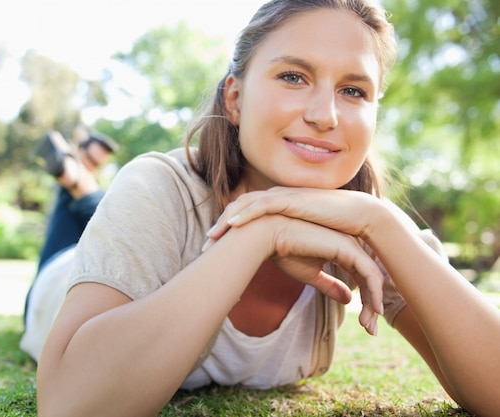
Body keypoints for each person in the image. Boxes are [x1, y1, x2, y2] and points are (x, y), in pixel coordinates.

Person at [32, 1, 500, 416]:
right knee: (81, 216)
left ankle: (79, 180)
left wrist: (382, 223)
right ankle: (75, 185)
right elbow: (73, 405)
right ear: (234, 99)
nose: (324, 116)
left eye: (353, 90)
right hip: (62, 277)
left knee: (90, 202)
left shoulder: (367, 223)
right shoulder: (158, 185)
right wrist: (258, 233)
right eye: (293, 77)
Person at [20, 127, 117, 358]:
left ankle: (74, 167)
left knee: (94, 205)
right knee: (103, 213)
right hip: (56, 284)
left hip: (46, 297)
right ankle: (75, 168)